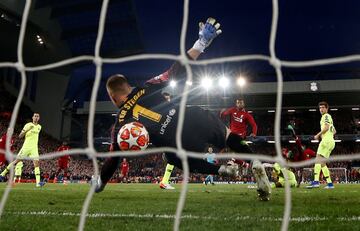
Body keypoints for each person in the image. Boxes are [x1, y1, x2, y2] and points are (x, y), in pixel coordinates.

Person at [92, 17, 271, 201]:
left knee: (173, 158)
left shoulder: (121, 121)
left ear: (113, 97)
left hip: (175, 141)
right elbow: (175, 70)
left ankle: (221, 170)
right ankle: (254, 160)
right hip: (189, 116)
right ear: (127, 86)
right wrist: (201, 43)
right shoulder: (146, 87)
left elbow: (113, 158)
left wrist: (101, 183)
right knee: (227, 135)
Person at [0, 113, 45, 187]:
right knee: (16, 161)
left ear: (39, 118)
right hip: (26, 147)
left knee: (36, 163)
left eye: (37, 116)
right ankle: (2, 174)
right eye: (35, 116)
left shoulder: (39, 127)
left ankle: (38, 183)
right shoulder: (28, 125)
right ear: (32, 117)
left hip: (34, 148)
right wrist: (27, 129)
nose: (36, 118)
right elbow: (20, 136)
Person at [307, 102, 336, 189]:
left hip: (326, 141)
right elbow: (334, 131)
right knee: (322, 163)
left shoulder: (326, 116)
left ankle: (316, 182)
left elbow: (326, 127)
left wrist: (318, 135)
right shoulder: (328, 117)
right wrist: (329, 136)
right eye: (320, 108)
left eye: (323, 107)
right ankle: (330, 184)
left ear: (327, 108)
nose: (321, 109)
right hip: (331, 141)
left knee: (317, 159)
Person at [159, 92, 176, 190]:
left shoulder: (171, 109)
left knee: (172, 160)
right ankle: (164, 182)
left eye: (169, 98)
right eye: (166, 99)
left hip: (170, 137)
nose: (168, 100)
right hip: (166, 138)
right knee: (172, 159)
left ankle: (164, 182)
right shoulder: (161, 110)